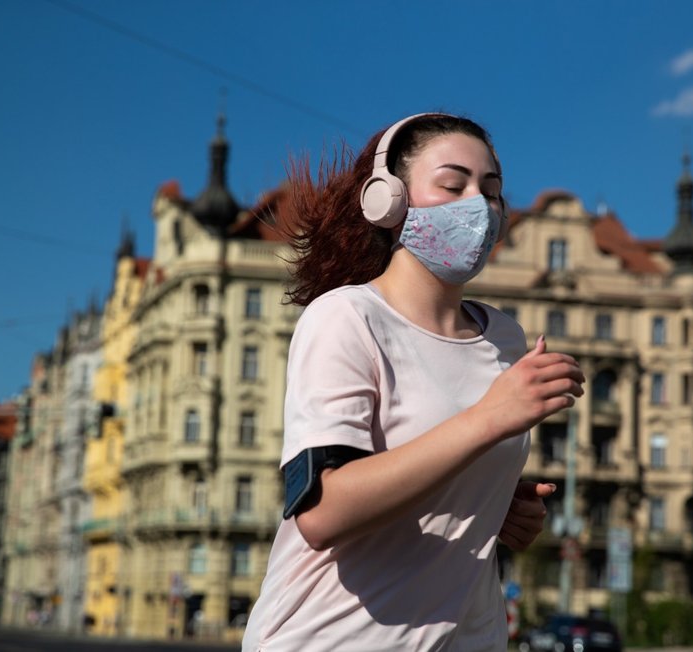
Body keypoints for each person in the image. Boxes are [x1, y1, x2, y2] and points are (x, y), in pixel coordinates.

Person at [242, 112, 585, 651]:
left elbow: (434, 468)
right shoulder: (347, 318)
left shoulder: (506, 340)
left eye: (492, 191)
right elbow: (323, 510)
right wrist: (489, 418)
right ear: (388, 199)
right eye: (453, 184)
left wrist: (495, 507)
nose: (479, 204)